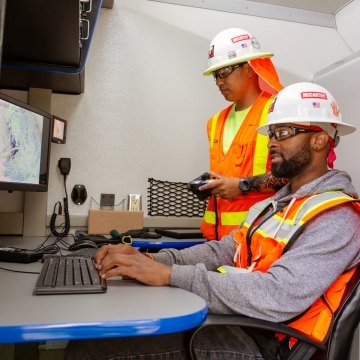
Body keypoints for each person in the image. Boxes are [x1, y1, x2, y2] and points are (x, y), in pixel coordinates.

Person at [65, 82, 360, 360]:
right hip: (239, 321)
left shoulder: (336, 218)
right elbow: (223, 251)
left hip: (268, 344)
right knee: (99, 335)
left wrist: (169, 276)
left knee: (92, 350)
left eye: (283, 133)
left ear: (320, 140)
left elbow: (277, 295)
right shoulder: (274, 205)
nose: (271, 142)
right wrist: (154, 260)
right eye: (271, 133)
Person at [198, 28, 285, 240]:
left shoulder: (278, 113)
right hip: (216, 242)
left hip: (258, 239)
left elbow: (296, 176)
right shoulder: (215, 122)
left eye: (224, 72)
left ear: (248, 68)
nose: (218, 81)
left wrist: (242, 186)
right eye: (215, 75)